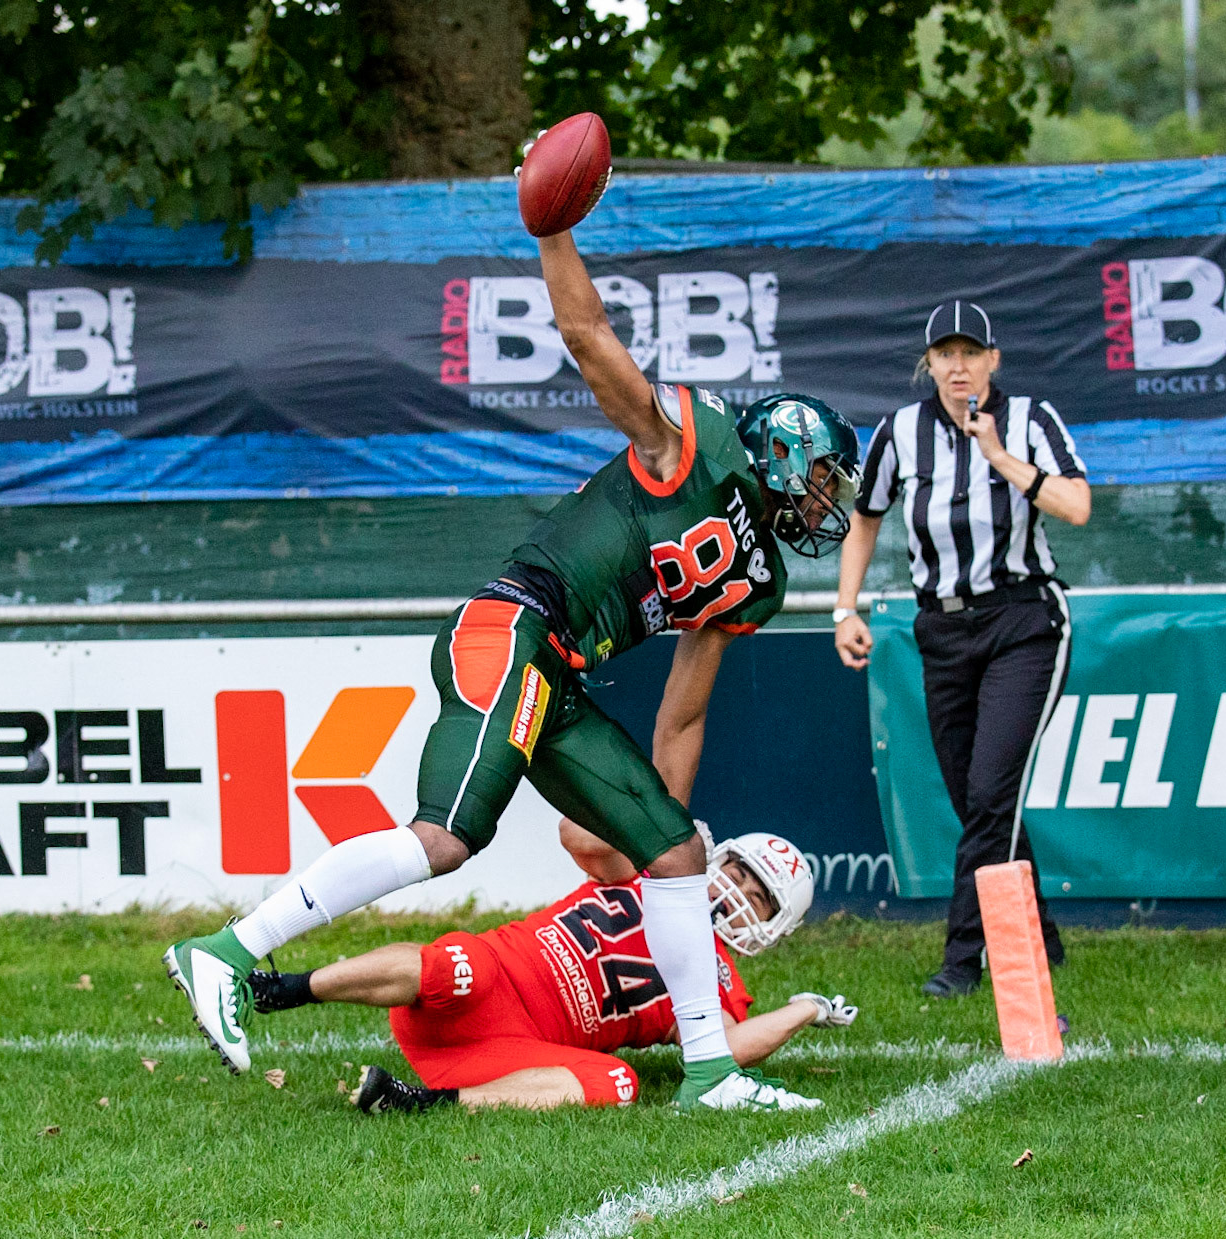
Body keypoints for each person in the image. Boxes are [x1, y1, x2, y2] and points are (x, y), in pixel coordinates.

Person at [165, 192, 862, 1112]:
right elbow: (588, 335)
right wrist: (554, 231)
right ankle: (227, 950)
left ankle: (711, 1074)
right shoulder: (689, 441)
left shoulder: (758, 582)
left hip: (561, 673)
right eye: (821, 482)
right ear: (780, 453)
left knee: (680, 857)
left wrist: (655, 824)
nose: (827, 506)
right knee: (447, 837)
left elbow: (684, 709)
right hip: (513, 625)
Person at [832, 301, 1090, 998]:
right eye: (944, 353)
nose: (957, 366)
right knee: (977, 798)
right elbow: (865, 517)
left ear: (992, 360)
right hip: (941, 629)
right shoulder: (900, 431)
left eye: (969, 352)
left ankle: (962, 958)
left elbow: (1078, 506)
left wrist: (1001, 456)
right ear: (929, 363)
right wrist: (844, 607)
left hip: (1023, 622)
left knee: (988, 795)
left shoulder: (1031, 419)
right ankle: (1042, 931)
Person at [249, 825, 856, 1112]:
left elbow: (726, 1049)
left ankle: (423, 1103)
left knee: (620, 1086)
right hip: (488, 979)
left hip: (518, 1047)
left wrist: (804, 1007)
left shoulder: (719, 978)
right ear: (714, 858)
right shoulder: (648, 872)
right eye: (738, 873)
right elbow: (575, 833)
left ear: (772, 927)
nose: (734, 893)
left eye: (757, 896)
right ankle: (286, 989)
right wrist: (646, 823)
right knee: (454, 965)